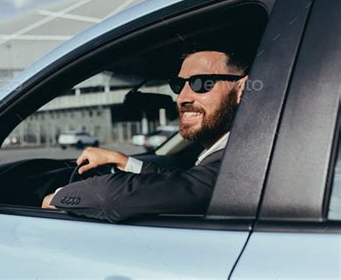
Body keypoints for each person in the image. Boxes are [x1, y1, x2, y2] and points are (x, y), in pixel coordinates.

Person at [41, 50, 249, 222]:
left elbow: (116, 198)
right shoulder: (225, 152)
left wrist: (58, 196)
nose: (182, 98)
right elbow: (180, 182)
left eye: (202, 83)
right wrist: (122, 161)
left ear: (241, 88)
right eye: (178, 85)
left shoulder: (243, 160)